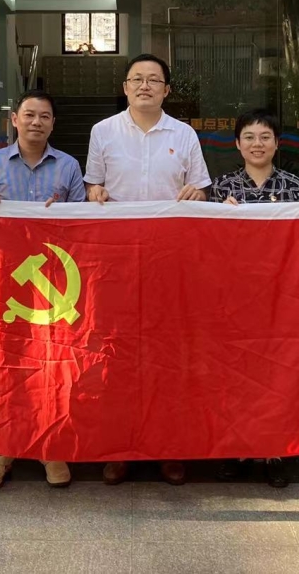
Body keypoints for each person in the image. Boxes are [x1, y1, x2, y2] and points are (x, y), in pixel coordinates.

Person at [84, 52, 211, 486]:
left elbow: (201, 191)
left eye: (153, 80)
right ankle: (120, 448)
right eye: (136, 79)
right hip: (117, 262)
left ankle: (168, 448)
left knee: (168, 357)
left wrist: (196, 195)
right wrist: (95, 194)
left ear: (166, 90)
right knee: (117, 357)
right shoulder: (102, 131)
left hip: (169, 262)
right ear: (124, 87)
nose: (144, 85)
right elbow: (92, 186)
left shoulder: (184, 134)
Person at [0, 89, 85, 491]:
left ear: (53, 124)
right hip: (5, 284)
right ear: (14, 120)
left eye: (45, 116)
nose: (37, 122)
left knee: (54, 364)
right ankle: (1, 451)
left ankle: (51, 448)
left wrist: (63, 214)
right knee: (6, 362)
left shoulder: (69, 166)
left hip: (56, 285)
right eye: (29, 115)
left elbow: (84, 224)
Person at [209, 109, 299, 489]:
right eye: (249, 137)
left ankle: (275, 449)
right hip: (232, 299)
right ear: (237, 143)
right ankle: (237, 449)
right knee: (234, 371)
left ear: (277, 143)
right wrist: (218, 217)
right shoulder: (221, 188)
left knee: (276, 372)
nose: (257, 144)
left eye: (265, 137)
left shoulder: (294, 187)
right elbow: (208, 247)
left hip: (279, 300)